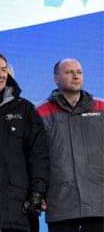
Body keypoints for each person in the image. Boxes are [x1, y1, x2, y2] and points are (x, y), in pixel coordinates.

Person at [0, 52, 48, 232]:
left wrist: (38, 192)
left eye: (3, 70)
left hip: (18, 209)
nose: (0, 75)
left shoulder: (25, 109)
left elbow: (39, 154)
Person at [36, 59, 103, 232]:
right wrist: (38, 190)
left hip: (99, 201)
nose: (76, 76)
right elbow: (35, 157)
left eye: (79, 72)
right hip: (60, 201)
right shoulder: (40, 112)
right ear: (56, 78)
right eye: (69, 72)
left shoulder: (101, 107)